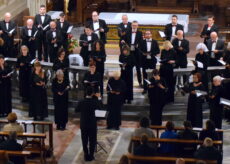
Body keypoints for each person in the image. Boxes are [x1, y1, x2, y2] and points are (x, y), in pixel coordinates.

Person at [76, 87, 101, 161]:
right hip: (92, 124)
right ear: (93, 94)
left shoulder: (81, 101)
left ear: (85, 93)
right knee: (92, 140)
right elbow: (100, 108)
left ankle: (86, 155)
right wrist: (99, 98)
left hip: (84, 123)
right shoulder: (95, 102)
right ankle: (91, 156)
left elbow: (76, 110)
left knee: (84, 140)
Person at [122, 20, 143, 86]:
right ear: (131, 25)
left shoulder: (140, 33)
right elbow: (124, 39)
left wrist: (138, 45)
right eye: (133, 25)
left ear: (137, 26)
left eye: (135, 25)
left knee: (138, 68)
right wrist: (123, 41)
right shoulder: (127, 32)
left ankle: (140, 82)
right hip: (129, 53)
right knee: (128, 68)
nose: (134, 26)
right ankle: (128, 82)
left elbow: (141, 42)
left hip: (137, 53)